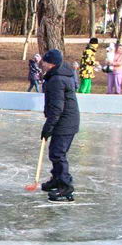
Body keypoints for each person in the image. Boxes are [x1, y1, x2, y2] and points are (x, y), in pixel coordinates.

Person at [39, 49, 80, 202]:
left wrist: (48, 127)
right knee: (55, 152)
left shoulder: (57, 79)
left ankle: (66, 187)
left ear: (51, 63)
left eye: (44, 61)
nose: (42, 63)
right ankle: (57, 179)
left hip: (65, 122)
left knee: (58, 154)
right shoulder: (58, 76)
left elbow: (57, 108)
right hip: (65, 121)